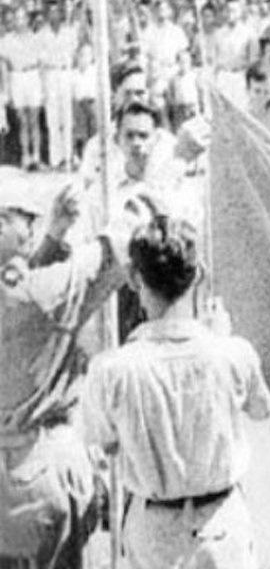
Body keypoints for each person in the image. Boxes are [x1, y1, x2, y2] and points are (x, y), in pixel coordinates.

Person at [82, 214, 270, 569]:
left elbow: (106, 444)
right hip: (220, 524)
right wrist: (220, 337)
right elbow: (263, 410)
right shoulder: (233, 353)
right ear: (197, 274)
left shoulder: (111, 370)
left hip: (155, 529)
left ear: (136, 280)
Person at [0, 174, 158, 568]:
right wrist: (136, 210)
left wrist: (52, 239)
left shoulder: (24, 288)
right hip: (39, 471)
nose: (31, 229)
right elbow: (100, 260)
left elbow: (27, 290)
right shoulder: (36, 294)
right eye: (23, 220)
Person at [38, 0, 77, 171]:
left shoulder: (69, 32)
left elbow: (73, 54)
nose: (54, 15)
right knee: (52, 119)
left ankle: (68, 157)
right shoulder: (42, 34)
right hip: (50, 74)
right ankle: (56, 159)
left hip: (65, 74)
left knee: (67, 118)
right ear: (47, 15)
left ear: (61, 14)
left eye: (57, 12)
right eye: (51, 12)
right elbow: (41, 59)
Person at [3, 5, 43, 171]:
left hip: (32, 76)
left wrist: (42, 87)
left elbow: (41, 64)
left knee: (34, 120)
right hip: (17, 77)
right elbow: (4, 66)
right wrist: (8, 90)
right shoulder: (6, 41)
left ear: (27, 19)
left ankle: (37, 156)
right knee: (22, 121)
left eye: (22, 18)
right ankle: (25, 156)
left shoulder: (35, 38)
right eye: (17, 18)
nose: (20, 21)